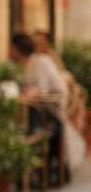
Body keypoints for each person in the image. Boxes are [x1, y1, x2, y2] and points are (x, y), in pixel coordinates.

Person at [10, 30, 70, 184]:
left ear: (17, 48)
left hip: (49, 114)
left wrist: (39, 94)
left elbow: (60, 90)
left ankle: (35, 144)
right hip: (23, 112)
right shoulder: (14, 67)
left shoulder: (41, 62)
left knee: (36, 121)